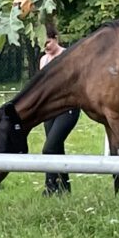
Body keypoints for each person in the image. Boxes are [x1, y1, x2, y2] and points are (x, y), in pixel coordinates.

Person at [39, 23, 80, 195]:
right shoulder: (43, 60)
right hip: (50, 109)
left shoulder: (68, 56)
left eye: (48, 42)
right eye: (42, 44)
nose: (45, 47)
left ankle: (50, 187)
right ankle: (65, 186)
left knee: (48, 148)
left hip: (67, 108)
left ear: (56, 38)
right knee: (57, 146)